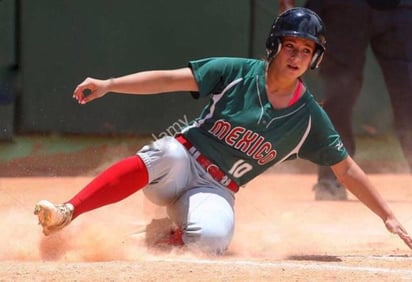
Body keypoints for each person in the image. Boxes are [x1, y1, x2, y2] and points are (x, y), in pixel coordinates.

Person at [34, 8, 412, 254]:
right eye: (290, 46)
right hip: (180, 163)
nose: (296, 55)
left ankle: (163, 234)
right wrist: (110, 83)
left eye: (306, 49)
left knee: (212, 241)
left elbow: (346, 169)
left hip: (216, 189)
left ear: (315, 58)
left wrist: (387, 216)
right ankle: (68, 211)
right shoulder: (238, 72)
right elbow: (168, 79)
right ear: (274, 47)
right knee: (166, 151)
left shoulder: (309, 117)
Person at [280, 0, 412, 200]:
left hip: (399, 8)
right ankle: (333, 179)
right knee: (340, 93)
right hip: (342, 7)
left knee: (409, 93)